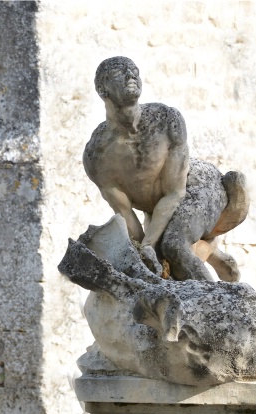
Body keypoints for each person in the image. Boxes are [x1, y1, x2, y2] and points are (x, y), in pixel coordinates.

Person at [83, 56, 247, 281]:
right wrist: (143, 254)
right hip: (156, 207)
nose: (131, 76)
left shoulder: (166, 121)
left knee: (173, 245)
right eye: (119, 73)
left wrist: (149, 246)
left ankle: (221, 306)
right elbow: (125, 213)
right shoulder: (97, 155)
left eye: (134, 71)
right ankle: (211, 252)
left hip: (198, 186)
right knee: (156, 261)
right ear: (103, 89)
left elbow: (175, 193)